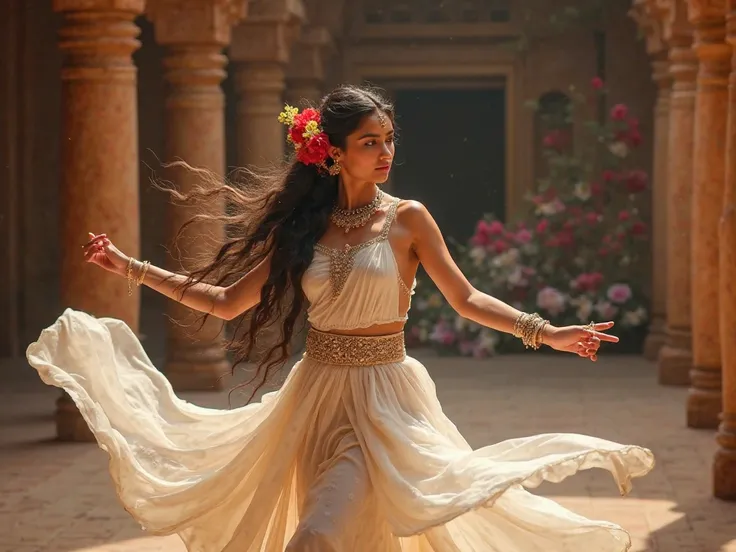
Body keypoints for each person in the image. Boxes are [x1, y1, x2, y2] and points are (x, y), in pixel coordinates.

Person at [27, 84, 654, 552]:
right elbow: (223, 301)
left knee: (318, 537)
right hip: (315, 399)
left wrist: (547, 333)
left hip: (387, 400)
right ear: (332, 154)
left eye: (388, 140)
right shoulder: (306, 228)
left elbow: (465, 299)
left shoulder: (408, 218)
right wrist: (130, 267)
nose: (385, 153)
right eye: (369, 142)